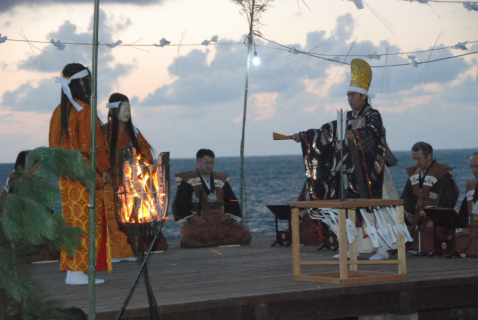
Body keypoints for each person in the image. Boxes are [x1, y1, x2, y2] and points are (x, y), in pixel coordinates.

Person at [290, 59, 397, 260]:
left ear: (364, 96)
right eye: (348, 95)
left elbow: (373, 130)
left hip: (372, 171)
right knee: (351, 210)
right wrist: (304, 136)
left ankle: (382, 248)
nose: (350, 99)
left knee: (376, 209)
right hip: (351, 172)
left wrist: (356, 135)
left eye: (353, 95)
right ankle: (356, 247)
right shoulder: (345, 118)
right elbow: (325, 132)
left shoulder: (373, 115)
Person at [49, 63, 111, 285]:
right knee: (86, 222)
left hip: (66, 176)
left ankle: (73, 271)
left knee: (73, 222)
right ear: (82, 82)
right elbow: (94, 145)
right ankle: (77, 272)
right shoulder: (83, 110)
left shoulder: (59, 111)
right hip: (84, 174)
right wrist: (103, 170)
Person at [103, 93, 168, 261]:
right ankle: (116, 253)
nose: (127, 112)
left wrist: (139, 166)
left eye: (129, 109)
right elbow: (101, 157)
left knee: (133, 214)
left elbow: (147, 156)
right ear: (113, 111)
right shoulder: (104, 131)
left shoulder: (135, 132)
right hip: (111, 183)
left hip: (132, 183)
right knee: (113, 217)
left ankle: (133, 251)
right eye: (123, 109)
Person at [172, 149, 252, 248]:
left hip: (219, 219)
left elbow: (232, 200)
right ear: (198, 162)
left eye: (211, 162)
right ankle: (218, 242)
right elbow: (179, 203)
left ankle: (213, 242)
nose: (209, 165)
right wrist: (192, 218)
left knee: (244, 235)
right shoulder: (188, 180)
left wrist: (228, 215)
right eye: (206, 162)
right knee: (189, 238)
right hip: (200, 219)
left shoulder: (221, 179)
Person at [401, 142, 459, 253]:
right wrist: (407, 216)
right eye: (414, 159)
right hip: (420, 213)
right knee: (405, 236)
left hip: (436, 213)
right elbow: (408, 198)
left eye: (419, 159)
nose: (416, 162)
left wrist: (438, 218)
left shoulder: (442, 172)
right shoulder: (414, 174)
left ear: (429, 156)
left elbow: (448, 198)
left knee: (428, 241)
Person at [459, 152, 478, 256]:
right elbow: (464, 210)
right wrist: (463, 225)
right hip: (472, 228)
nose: (474, 170)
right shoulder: (471, 186)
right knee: (453, 245)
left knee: (473, 251)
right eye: (472, 167)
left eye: (477, 166)